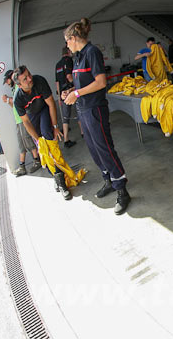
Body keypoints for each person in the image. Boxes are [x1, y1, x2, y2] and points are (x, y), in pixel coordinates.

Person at [63, 17, 131, 215]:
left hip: (95, 109)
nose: (67, 45)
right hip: (83, 109)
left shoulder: (92, 52)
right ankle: (108, 180)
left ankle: (122, 190)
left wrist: (77, 94)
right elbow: (83, 85)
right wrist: (70, 92)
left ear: (74, 38)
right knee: (94, 150)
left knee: (105, 149)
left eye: (67, 41)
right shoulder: (78, 57)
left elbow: (100, 82)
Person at [12, 66, 72, 200]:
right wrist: (38, 141)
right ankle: (57, 177)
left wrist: (55, 126)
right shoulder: (18, 99)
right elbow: (26, 122)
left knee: (48, 136)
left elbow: (51, 104)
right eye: (25, 79)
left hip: (45, 109)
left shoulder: (39, 81)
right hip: (32, 117)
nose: (29, 78)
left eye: (29, 74)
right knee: (44, 150)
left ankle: (62, 183)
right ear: (19, 85)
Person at [2, 69, 41, 176]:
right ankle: (22, 166)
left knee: (28, 140)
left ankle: (37, 160)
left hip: (23, 119)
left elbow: (20, 103)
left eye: (7, 80)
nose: (6, 83)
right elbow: (14, 106)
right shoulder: (13, 90)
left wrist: (8, 100)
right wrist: (8, 101)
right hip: (17, 120)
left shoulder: (18, 88)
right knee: (21, 143)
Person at [55, 46, 80, 148]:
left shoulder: (57, 64)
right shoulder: (69, 60)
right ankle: (84, 133)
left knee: (65, 118)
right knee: (79, 111)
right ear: (69, 51)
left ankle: (66, 140)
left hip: (62, 94)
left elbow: (57, 82)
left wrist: (59, 96)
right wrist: (77, 85)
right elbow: (69, 77)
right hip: (71, 90)